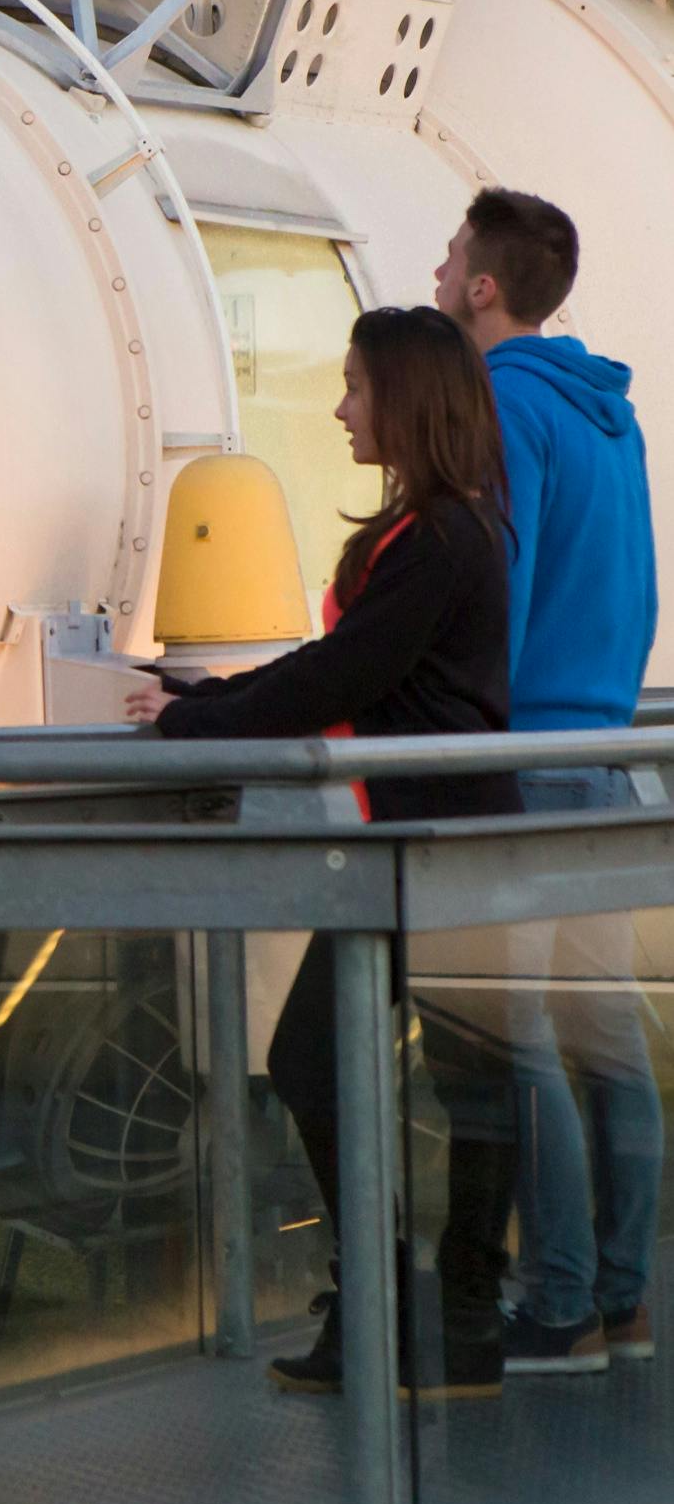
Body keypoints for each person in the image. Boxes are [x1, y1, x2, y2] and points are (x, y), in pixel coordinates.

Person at [124, 307, 522, 1397]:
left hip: (433, 848)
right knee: (448, 1076)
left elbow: (341, 674)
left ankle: (418, 1314)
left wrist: (195, 721)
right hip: (433, 844)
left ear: (406, 400)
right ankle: (429, 1316)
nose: (340, 407)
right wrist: (210, 695)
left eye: (354, 385)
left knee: (368, 1067)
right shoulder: (445, 530)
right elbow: (340, 661)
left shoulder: (439, 538)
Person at [435, 188, 661, 1374]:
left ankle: (559, 1301)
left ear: (483, 285)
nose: (435, 274)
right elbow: (637, 588)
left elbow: (496, 593)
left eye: (448, 259)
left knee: (512, 1035)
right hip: (604, 757)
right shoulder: (609, 415)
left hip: (520, 761)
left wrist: (466, 731)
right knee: (608, 1040)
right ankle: (623, 1301)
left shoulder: (501, 404)